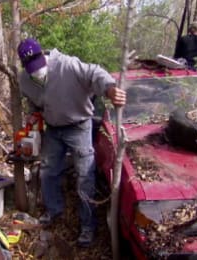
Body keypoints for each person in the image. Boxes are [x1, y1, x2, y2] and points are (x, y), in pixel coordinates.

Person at [17, 38, 126, 247]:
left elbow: (95, 73)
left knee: (85, 176)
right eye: (31, 69)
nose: (37, 71)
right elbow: (33, 102)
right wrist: (33, 119)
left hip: (79, 126)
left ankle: (88, 227)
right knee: (48, 171)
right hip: (53, 129)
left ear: (43, 56)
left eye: (38, 66)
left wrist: (110, 89)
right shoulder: (25, 80)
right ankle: (53, 210)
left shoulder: (67, 65)